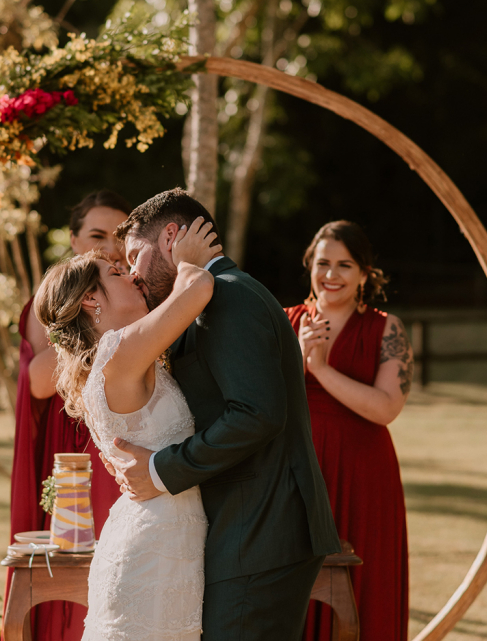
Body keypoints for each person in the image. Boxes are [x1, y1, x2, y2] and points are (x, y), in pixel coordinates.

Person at [109, 189, 341, 641]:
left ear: (172, 237)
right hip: (244, 531)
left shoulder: (228, 297)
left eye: (135, 255)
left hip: (259, 531)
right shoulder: (204, 298)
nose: (133, 274)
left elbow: (255, 414)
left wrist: (160, 470)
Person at [34, 218, 222, 640]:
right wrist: (188, 259)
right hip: (155, 548)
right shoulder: (118, 349)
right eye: (117, 274)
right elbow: (198, 290)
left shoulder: (120, 355)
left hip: (161, 536)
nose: (134, 276)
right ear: (89, 301)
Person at [7, 190, 130, 641]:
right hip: (71, 442)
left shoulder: (136, 292)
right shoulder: (52, 299)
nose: (109, 246)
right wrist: (93, 324)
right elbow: (39, 381)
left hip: (123, 431)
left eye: (119, 236)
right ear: (75, 240)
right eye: (97, 235)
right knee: (76, 562)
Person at [284, 221, 413, 641]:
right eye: (323, 263)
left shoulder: (385, 327)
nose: (331, 275)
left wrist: (319, 369)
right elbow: (264, 405)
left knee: (363, 588)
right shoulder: (284, 322)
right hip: (296, 471)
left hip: (363, 475)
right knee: (293, 587)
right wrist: (296, 360)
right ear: (310, 266)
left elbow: (386, 407)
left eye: (345, 264)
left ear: (364, 273)